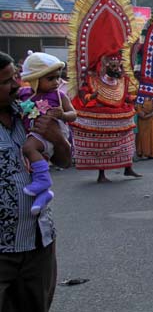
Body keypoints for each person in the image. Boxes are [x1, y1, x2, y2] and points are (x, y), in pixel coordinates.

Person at [0, 51, 72, 312]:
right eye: (6, 82)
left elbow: (64, 161)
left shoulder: (32, 110)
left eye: (15, 78)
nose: (16, 86)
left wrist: (57, 136)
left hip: (39, 241)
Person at [17, 52, 76, 216]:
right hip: (36, 132)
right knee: (34, 158)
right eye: (50, 79)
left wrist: (63, 115)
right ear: (35, 80)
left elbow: (74, 114)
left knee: (28, 149)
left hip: (50, 133)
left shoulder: (59, 96)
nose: (56, 82)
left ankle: (44, 181)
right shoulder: (26, 95)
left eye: (58, 78)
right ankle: (43, 194)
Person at [72, 54, 141, 183]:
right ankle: (101, 174)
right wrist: (91, 97)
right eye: (114, 66)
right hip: (102, 121)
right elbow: (84, 95)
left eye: (119, 66)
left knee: (127, 145)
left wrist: (133, 98)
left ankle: (128, 168)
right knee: (101, 148)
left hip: (121, 120)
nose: (117, 69)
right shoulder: (93, 80)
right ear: (105, 66)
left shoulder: (122, 81)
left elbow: (124, 97)